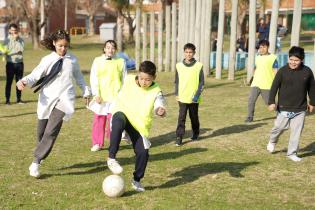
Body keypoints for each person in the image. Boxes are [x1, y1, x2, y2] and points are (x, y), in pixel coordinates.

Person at [16, 30, 91, 178]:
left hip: (65, 100)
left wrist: (86, 91)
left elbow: (79, 78)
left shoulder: (72, 60)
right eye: (60, 46)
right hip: (47, 99)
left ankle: (35, 162)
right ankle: (41, 153)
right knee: (41, 133)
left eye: (66, 46)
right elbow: (36, 75)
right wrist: (24, 81)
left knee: (51, 131)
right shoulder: (47, 59)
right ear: (54, 44)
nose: (63, 49)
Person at [106, 61, 166, 192]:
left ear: (154, 78)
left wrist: (160, 110)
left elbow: (159, 104)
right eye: (141, 78)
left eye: (148, 80)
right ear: (137, 74)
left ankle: (136, 180)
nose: (144, 82)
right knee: (118, 121)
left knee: (143, 152)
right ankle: (111, 158)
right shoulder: (127, 79)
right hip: (121, 112)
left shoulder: (156, 91)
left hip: (138, 124)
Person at [266, 46, 315, 162]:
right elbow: (274, 87)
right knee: (278, 127)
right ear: (288, 58)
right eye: (291, 59)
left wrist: (312, 102)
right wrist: (271, 102)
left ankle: (291, 153)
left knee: (296, 131)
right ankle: (272, 141)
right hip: (284, 107)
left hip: (300, 108)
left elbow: (312, 88)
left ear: (301, 60)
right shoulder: (282, 71)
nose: (293, 62)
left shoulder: (307, 71)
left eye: (296, 60)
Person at [88, 40, 126, 152]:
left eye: (113, 47)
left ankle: (114, 142)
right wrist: (96, 94)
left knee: (114, 121)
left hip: (115, 97)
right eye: (108, 47)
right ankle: (97, 143)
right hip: (101, 97)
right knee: (99, 120)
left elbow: (124, 79)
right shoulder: (97, 61)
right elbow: (93, 78)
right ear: (104, 49)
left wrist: (122, 95)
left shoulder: (121, 62)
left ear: (116, 50)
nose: (110, 50)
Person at [175, 43, 204, 146]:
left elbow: (201, 82)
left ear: (194, 53)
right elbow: (177, 81)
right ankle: (179, 137)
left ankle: (195, 133)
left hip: (194, 98)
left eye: (190, 52)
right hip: (182, 97)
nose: (188, 54)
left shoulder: (199, 66)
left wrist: (196, 96)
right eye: (186, 52)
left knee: (194, 117)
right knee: (181, 117)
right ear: (184, 53)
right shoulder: (178, 66)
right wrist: (176, 93)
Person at [245, 40, 278, 123]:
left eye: (264, 47)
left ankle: (281, 113)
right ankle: (249, 117)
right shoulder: (258, 57)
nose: (262, 49)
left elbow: (275, 70)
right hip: (256, 83)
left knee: (269, 103)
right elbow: (257, 68)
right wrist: (252, 77)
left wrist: (277, 82)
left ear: (268, 47)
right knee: (251, 100)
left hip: (267, 84)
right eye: (260, 47)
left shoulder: (273, 58)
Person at [3, 23, 24, 105]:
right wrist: (12, 52)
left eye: (15, 30)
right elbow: (6, 52)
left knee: (19, 82)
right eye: (12, 30)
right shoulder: (6, 40)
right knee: (9, 82)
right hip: (10, 64)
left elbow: (21, 50)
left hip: (20, 64)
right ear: (9, 31)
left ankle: (19, 99)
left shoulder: (21, 40)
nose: (14, 32)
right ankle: (7, 100)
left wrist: (11, 51)